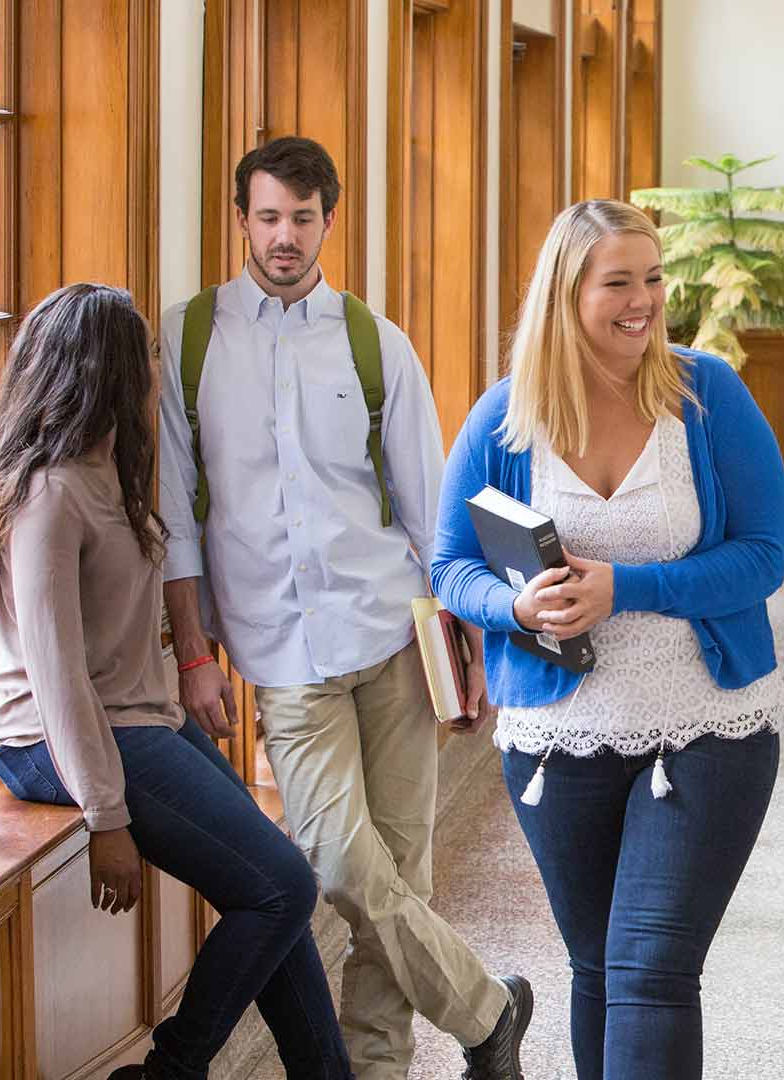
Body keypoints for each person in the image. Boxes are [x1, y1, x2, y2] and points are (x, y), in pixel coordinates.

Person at [156, 136, 528, 1080]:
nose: (285, 237)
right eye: (269, 217)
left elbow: (430, 512)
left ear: (330, 219)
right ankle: (486, 1012)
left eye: (304, 219)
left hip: (393, 641)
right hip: (281, 659)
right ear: (239, 218)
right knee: (338, 869)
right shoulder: (187, 340)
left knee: (399, 881)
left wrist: (470, 645)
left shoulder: (375, 341)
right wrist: (195, 654)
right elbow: (173, 515)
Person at [431, 199, 784, 1080]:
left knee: (653, 970)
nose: (646, 301)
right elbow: (451, 566)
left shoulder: (708, 397)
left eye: (655, 278)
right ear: (565, 293)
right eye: (619, 282)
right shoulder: (506, 419)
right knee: (598, 970)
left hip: (708, 724)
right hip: (558, 740)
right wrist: (518, 609)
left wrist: (626, 587)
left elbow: (763, 558)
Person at [0, 283, 352, 1080]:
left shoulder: (108, 468)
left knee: (274, 882)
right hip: (57, 736)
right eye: (144, 354)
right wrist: (106, 816)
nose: (155, 369)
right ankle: (168, 1072)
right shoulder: (50, 494)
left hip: (136, 717)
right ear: (104, 369)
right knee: (280, 888)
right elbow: (59, 675)